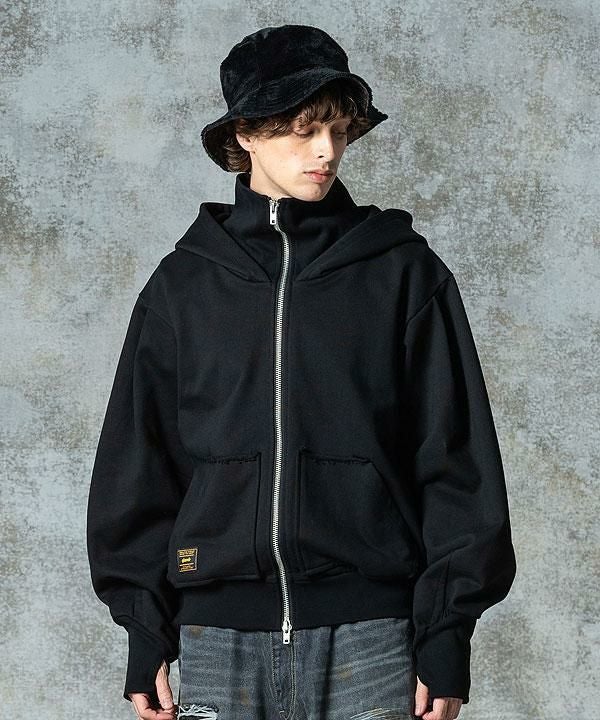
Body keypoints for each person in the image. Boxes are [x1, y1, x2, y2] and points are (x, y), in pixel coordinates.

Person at [86, 24, 517, 720]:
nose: (326, 151)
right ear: (246, 135)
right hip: (218, 639)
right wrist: (145, 629)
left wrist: (445, 635)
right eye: (302, 130)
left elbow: (456, 462)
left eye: (338, 132)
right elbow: (139, 465)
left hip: (372, 638)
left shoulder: (403, 274)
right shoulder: (183, 287)